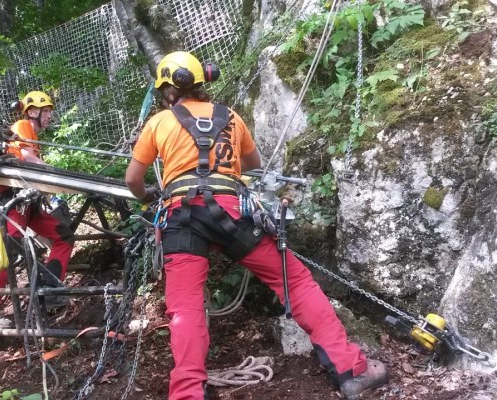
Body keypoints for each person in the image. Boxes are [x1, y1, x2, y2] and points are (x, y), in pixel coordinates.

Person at [125, 51, 388, 400]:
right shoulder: (230, 117)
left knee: (185, 307)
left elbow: (132, 180)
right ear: (202, 83)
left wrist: (148, 195)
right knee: (293, 280)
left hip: (181, 217)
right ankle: (349, 370)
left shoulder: (159, 122)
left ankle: (188, 394)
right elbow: (252, 164)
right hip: (232, 212)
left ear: (168, 90)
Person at [0, 90, 75, 328]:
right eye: (46, 111)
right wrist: (55, 172)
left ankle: (48, 289)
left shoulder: (31, 134)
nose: (50, 116)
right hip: (14, 201)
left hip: (28, 203)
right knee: (10, 250)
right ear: (33, 112)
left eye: (50, 111)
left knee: (64, 236)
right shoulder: (23, 126)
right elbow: (27, 157)